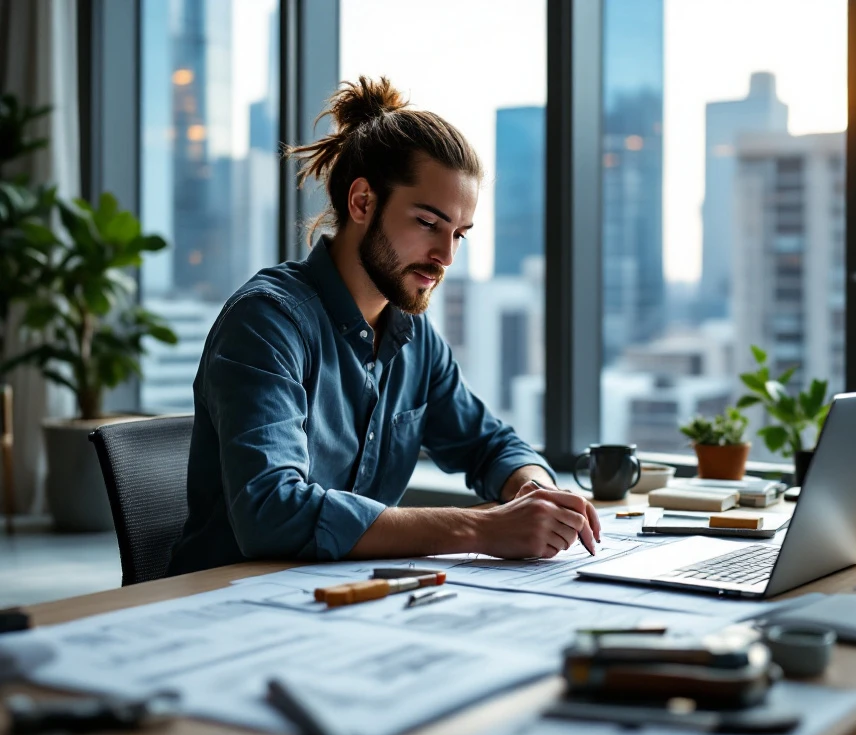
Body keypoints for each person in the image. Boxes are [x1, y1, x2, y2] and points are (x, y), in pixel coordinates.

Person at [167, 76, 600, 575]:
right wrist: (482, 529)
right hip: (226, 605)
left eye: (459, 233)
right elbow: (272, 511)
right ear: (362, 203)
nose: (446, 256)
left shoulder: (415, 339)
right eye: (427, 223)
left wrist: (537, 494)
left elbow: (489, 444)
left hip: (347, 604)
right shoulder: (266, 322)